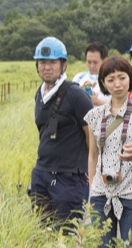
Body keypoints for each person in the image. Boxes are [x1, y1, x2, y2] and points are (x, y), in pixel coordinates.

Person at [85, 56, 132, 248]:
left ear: (130, 78)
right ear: (103, 84)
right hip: (101, 194)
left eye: (122, 77)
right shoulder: (94, 116)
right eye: (110, 79)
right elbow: (92, 156)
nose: (117, 84)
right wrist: (92, 191)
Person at [29, 36, 94, 229]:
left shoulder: (76, 95)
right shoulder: (39, 94)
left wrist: (92, 170)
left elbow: (92, 136)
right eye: (42, 62)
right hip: (41, 173)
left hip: (68, 177)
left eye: (52, 62)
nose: (47, 67)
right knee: (42, 230)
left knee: (66, 232)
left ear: (63, 65)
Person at [72, 42, 111, 107]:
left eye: (95, 62)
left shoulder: (113, 80)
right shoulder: (78, 78)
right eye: (89, 62)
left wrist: (97, 102)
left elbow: (119, 107)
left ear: (105, 60)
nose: (92, 66)